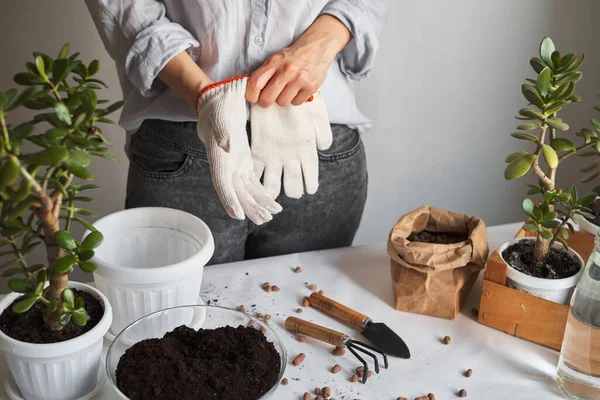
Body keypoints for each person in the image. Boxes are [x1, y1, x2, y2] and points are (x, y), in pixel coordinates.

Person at [85, 1, 387, 264]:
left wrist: (315, 48)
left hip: (315, 138)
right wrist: (206, 96)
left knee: (305, 311)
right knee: (177, 322)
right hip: (188, 146)